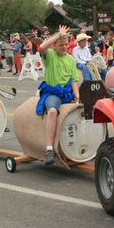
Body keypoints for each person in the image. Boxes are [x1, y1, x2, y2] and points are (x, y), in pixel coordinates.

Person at [38, 25, 79, 165]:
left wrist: (77, 96)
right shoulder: (49, 56)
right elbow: (42, 47)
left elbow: (74, 80)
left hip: (67, 94)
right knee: (52, 112)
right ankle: (49, 149)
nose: (64, 47)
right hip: (52, 93)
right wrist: (58, 35)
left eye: (66, 44)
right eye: (61, 45)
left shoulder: (70, 59)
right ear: (54, 46)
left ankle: (76, 146)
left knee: (82, 111)